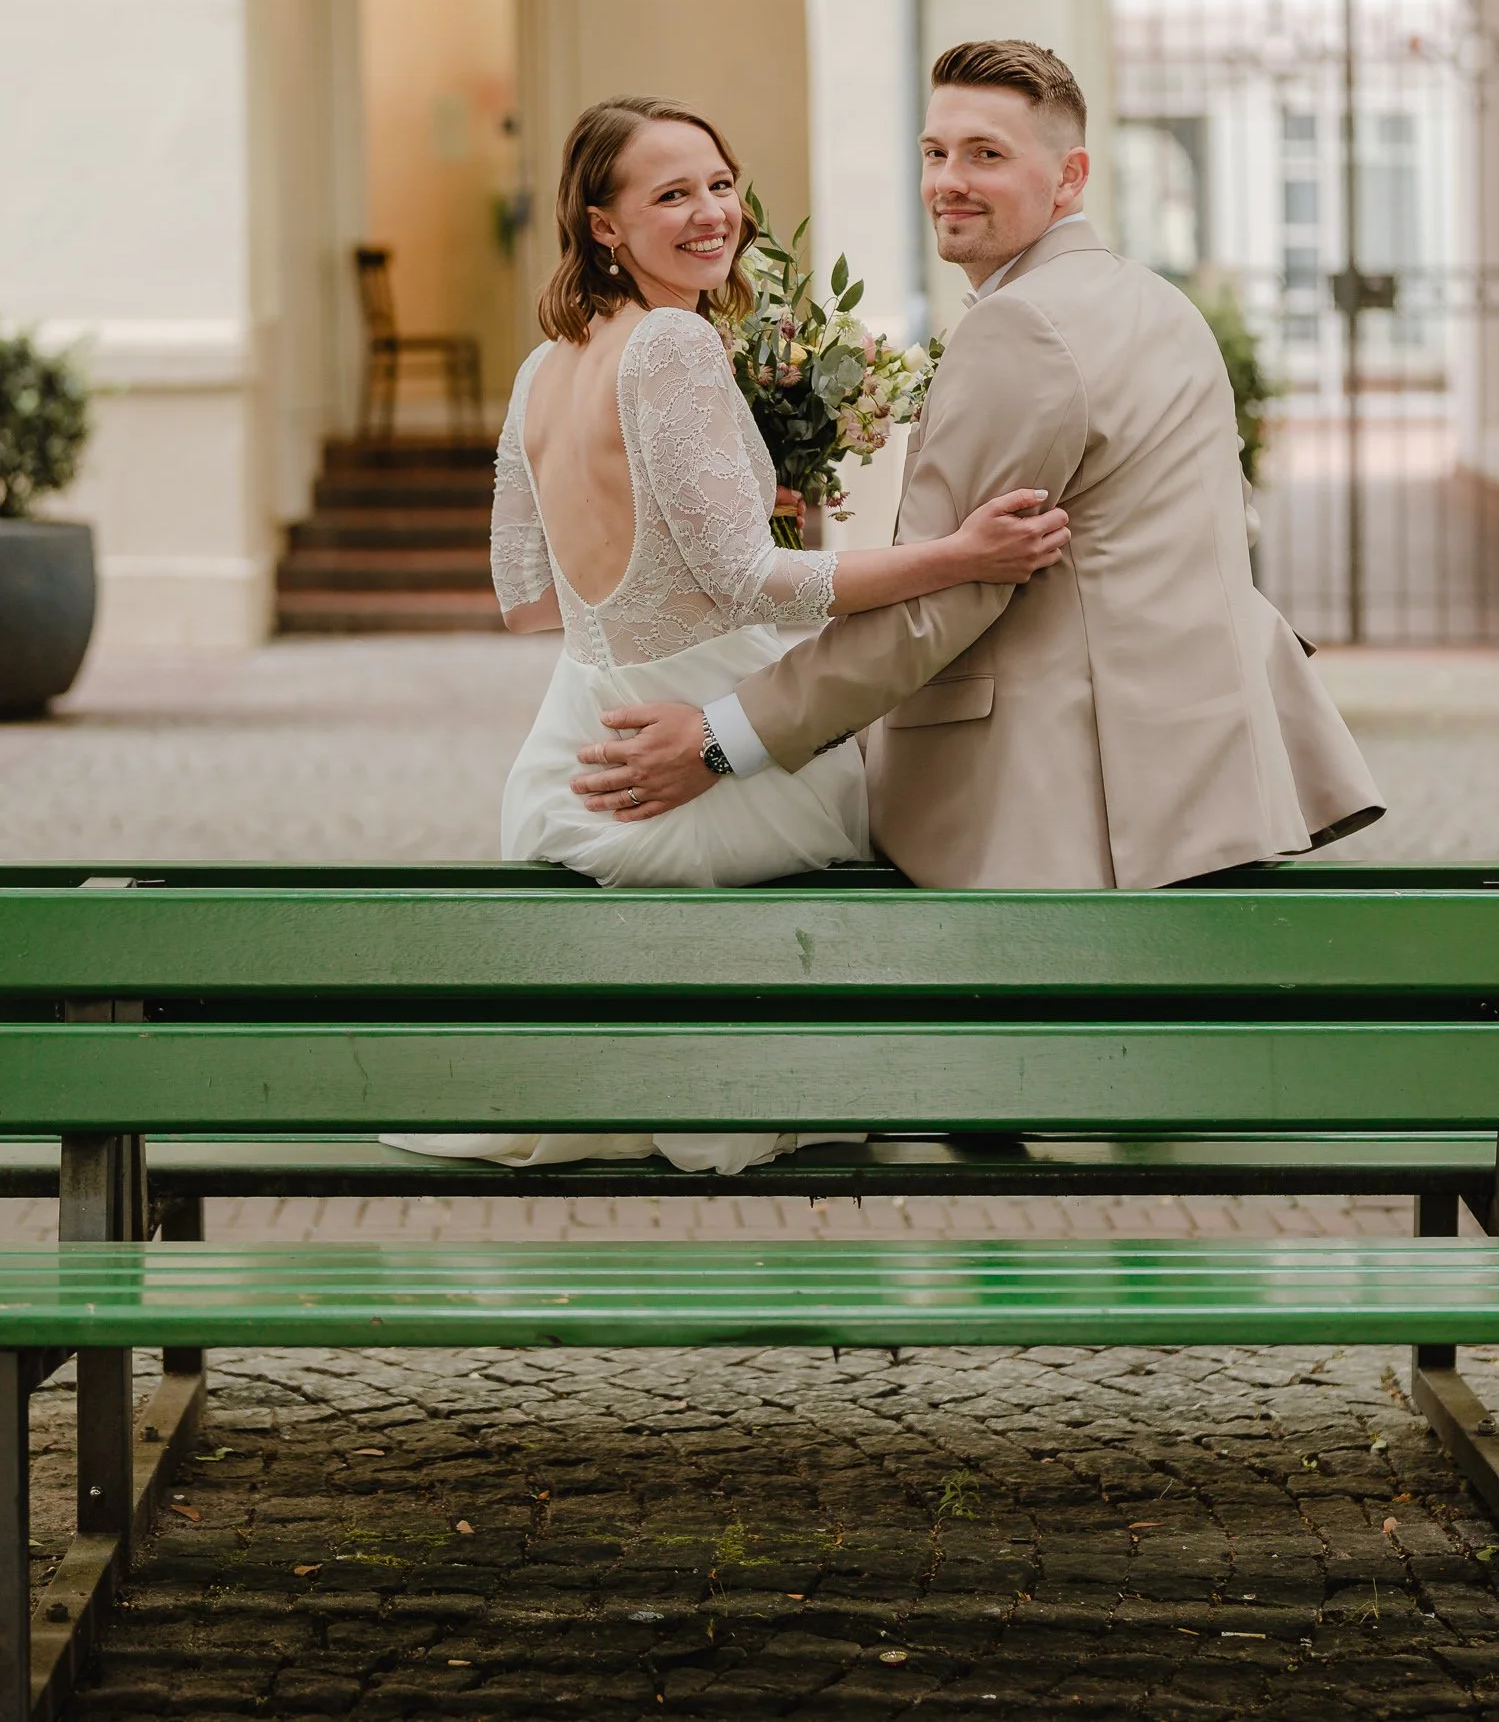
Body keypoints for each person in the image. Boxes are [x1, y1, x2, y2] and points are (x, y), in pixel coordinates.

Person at [382, 90, 1068, 1175]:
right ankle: (976, 1081)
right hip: (680, 763)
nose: (712, 213)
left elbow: (527, 590)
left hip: (574, 755)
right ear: (602, 227)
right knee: (936, 778)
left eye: (718, 182)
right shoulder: (669, 346)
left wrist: (684, 550)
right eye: (671, 195)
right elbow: (756, 585)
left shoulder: (541, 365)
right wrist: (962, 556)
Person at [573, 40, 1383, 889]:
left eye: (985, 155)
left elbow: (940, 603)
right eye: (935, 153)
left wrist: (720, 739)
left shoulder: (1021, 327)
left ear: (1068, 177)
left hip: (1068, 806)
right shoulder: (1160, 304)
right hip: (1205, 785)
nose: (947, 181)